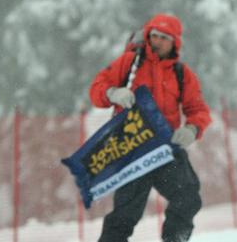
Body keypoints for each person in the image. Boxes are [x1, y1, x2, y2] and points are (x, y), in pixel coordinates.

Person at [89, 13, 212, 242]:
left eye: (164, 38)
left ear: (175, 43)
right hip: (132, 149)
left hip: (166, 148)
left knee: (187, 197)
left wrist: (192, 129)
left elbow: (198, 109)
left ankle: (174, 239)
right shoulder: (128, 62)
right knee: (126, 214)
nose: (157, 41)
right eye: (154, 35)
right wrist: (112, 93)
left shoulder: (181, 73)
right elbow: (97, 88)